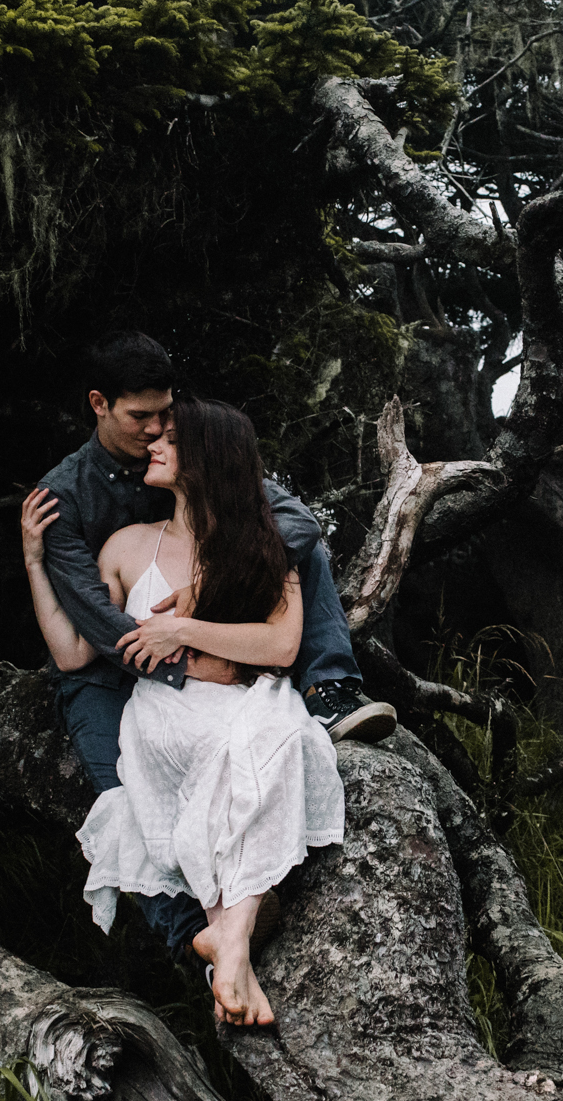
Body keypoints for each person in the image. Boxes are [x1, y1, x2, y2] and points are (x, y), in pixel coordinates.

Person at [22, 331, 393, 969]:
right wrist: (190, 661)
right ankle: (196, 932)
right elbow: (96, 624)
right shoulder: (66, 495)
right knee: (125, 792)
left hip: (202, 640)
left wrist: (214, 582)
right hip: (120, 664)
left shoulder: (194, 450)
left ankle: (330, 687)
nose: (157, 431)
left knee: (302, 556)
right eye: (142, 418)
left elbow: (296, 524)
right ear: (98, 405)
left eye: (166, 415)